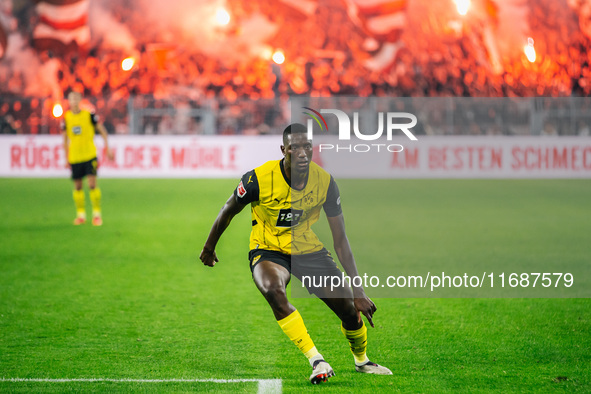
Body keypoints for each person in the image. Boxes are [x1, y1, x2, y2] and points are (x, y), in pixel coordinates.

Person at [200, 123, 392, 384]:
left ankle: (362, 361)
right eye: (295, 148)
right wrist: (209, 248)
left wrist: (357, 289)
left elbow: (341, 240)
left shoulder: (324, 182)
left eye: (307, 147)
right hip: (268, 248)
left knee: (348, 309)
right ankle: (317, 360)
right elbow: (228, 211)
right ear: (284, 150)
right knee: (273, 289)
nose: (302, 153)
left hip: (307, 250)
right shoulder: (258, 178)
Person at [62, 91, 113, 226]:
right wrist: (66, 158)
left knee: (92, 184)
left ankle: (96, 215)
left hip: (90, 155)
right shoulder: (66, 118)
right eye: (71, 99)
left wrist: (108, 147)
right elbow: (64, 140)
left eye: (75, 98)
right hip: (75, 157)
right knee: (78, 186)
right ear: (68, 101)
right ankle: (81, 215)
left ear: (79, 100)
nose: (73, 101)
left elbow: (102, 130)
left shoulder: (88, 115)